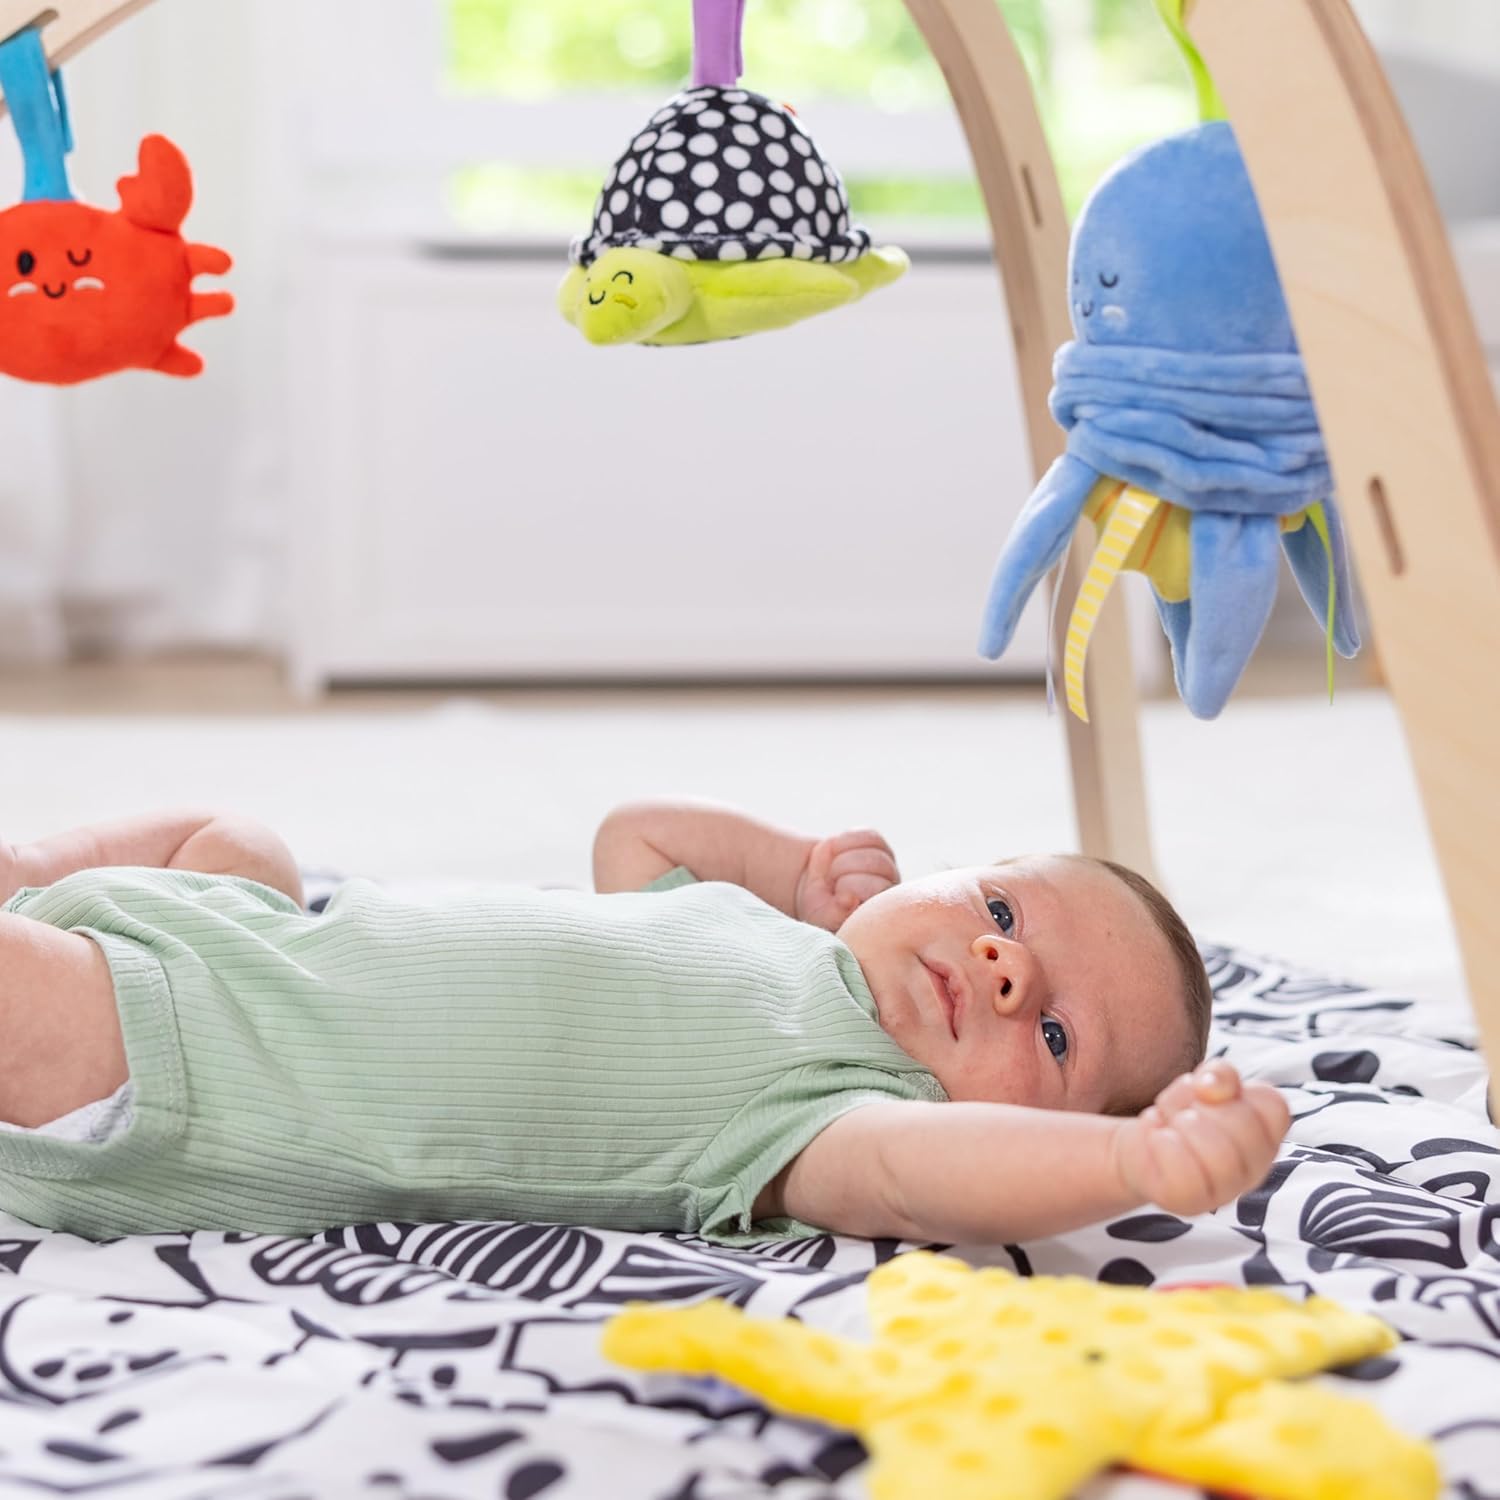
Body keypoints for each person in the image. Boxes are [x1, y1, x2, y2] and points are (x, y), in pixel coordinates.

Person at [0, 801, 1288, 1245]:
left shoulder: (835, 1116)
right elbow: (637, 836)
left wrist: (1129, 1169)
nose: (1006, 966)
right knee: (243, 845)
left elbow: (927, 1181)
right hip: (255, 940)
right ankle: (28, 865)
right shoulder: (775, 943)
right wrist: (791, 868)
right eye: (1003, 906)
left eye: (1056, 1038)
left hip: (191, 1068)